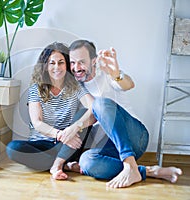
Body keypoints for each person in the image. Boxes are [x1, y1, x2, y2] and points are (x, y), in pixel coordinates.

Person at [66, 39, 182, 188]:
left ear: (93, 61)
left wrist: (116, 73)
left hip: (135, 137)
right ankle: (147, 171)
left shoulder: (107, 73)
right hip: (112, 145)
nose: (76, 68)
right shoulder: (77, 89)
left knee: (100, 103)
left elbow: (128, 84)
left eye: (81, 62)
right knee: (87, 161)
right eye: (73, 62)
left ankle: (129, 164)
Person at [6, 42, 96, 179]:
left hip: (68, 145)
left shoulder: (75, 86)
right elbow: (37, 123)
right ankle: (64, 164)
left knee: (84, 113)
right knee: (12, 148)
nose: (56, 67)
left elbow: (95, 107)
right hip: (42, 145)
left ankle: (58, 163)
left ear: (67, 65)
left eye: (61, 62)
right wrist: (61, 134)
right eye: (51, 63)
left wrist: (71, 130)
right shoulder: (36, 89)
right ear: (45, 66)